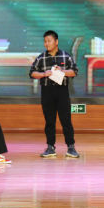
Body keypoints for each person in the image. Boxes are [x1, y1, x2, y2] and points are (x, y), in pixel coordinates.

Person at [29, 30, 79, 158]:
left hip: (62, 91)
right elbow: (32, 73)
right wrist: (43, 74)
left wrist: (62, 71)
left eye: (49, 41)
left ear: (56, 42)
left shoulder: (65, 56)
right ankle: (50, 147)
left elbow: (74, 71)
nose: (46, 44)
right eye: (45, 41)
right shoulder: (41, 57)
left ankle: (71, 147)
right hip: (47, 92)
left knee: (66, 120)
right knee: (49, 121)